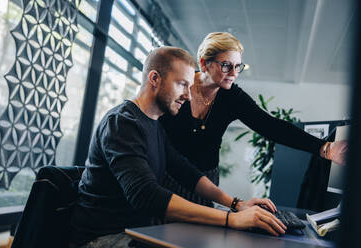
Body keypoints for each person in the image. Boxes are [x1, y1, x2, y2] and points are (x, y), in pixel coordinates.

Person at [69, 46, 286, 248]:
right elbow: (147, 196)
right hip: (102, 238)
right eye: (182, 84)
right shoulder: (122, 123)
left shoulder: (153, 123)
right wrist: (231, 219)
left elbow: (186, 172)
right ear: (154, 78)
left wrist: (237, 204)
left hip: (136, 231)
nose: (188, 95)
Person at [160, 32, 348, 207]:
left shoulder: (232, 97)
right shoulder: (178, 87)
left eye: (237, 66)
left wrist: (325, 148)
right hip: (167, 175)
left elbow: (272, 127)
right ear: (204, 63)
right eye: (226, 65)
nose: (233, 73)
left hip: (205, 182)